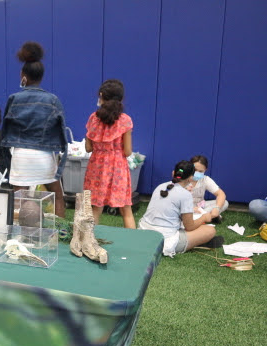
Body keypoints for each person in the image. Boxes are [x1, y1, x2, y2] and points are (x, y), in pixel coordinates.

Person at [1, 41, 67, 217]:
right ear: (41, 76)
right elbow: (61, 132)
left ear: (23, 75)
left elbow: (6, 132)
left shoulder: (13, 98)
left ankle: (18, 239)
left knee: (18, 201)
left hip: (21, 157)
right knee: (58, 197)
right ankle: (61, 233)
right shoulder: (53, 100)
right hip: (45, 157)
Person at [138, 160, 222, 256]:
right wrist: (204, 217)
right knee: (210, 231)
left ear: (173, 173)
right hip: (165, 239)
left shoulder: (160, 186)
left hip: (144, 231)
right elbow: (189, 227)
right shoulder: (185, 195)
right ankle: (195, 243)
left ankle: (193, 242)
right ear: (191, 178)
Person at [82, 79, 135, 228]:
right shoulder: (125, 121)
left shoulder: (93, 118)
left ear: (101, 96)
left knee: (95, 208)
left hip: (96, 167)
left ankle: (88, 241)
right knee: (126, 209)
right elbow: (128, 151)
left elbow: (88, 148)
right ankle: (136, 246)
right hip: (118, 168)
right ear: (121, 99)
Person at [188, 155, 228, 223]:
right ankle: (206, 217)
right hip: (185, 208)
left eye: (200, 171)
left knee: (225, 203)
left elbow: (221, 194)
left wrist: (217, 209)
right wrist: (191, 209)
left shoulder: (205, 179)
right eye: (194, 170)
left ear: (205, 170)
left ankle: (200, 217)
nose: (196, 173)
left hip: (200, 207)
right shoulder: (182, 178)